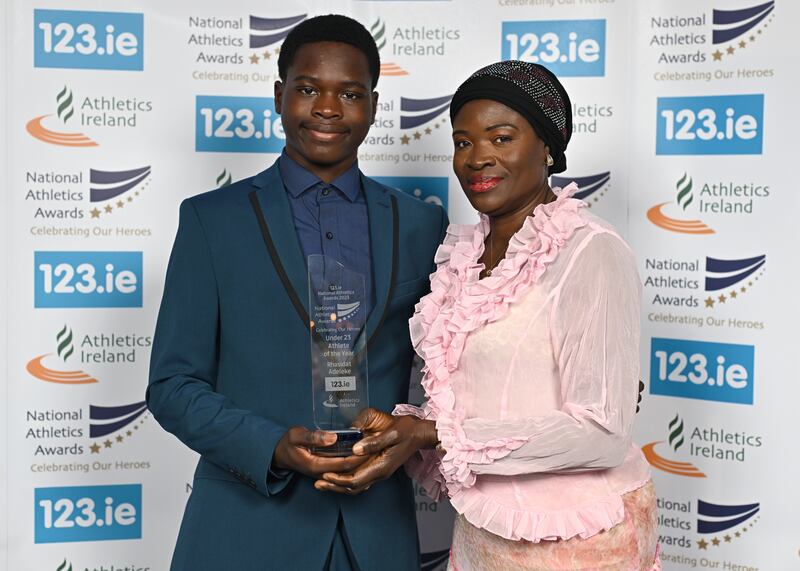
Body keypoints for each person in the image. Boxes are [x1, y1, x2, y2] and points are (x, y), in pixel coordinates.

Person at [319, 61, 660, 570]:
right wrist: (401, 431)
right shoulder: (463, 257)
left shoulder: (590, 252)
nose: (478, 158)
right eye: (463, 142)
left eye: (501, 138)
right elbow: (490, 393)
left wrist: (435, 434)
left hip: (578, 539)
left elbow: (601, 433)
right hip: (484, 529)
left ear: (547, 146)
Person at [146, 14, 447, 571]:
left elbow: (456, 368)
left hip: (377, 536)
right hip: (244, 530)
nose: (328, 108)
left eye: (349, 93)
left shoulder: (421, 226)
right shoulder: (213, 222)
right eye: (308, 89)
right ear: (280, 96)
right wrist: (272, 447)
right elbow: (171, 385)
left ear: (374, 106)